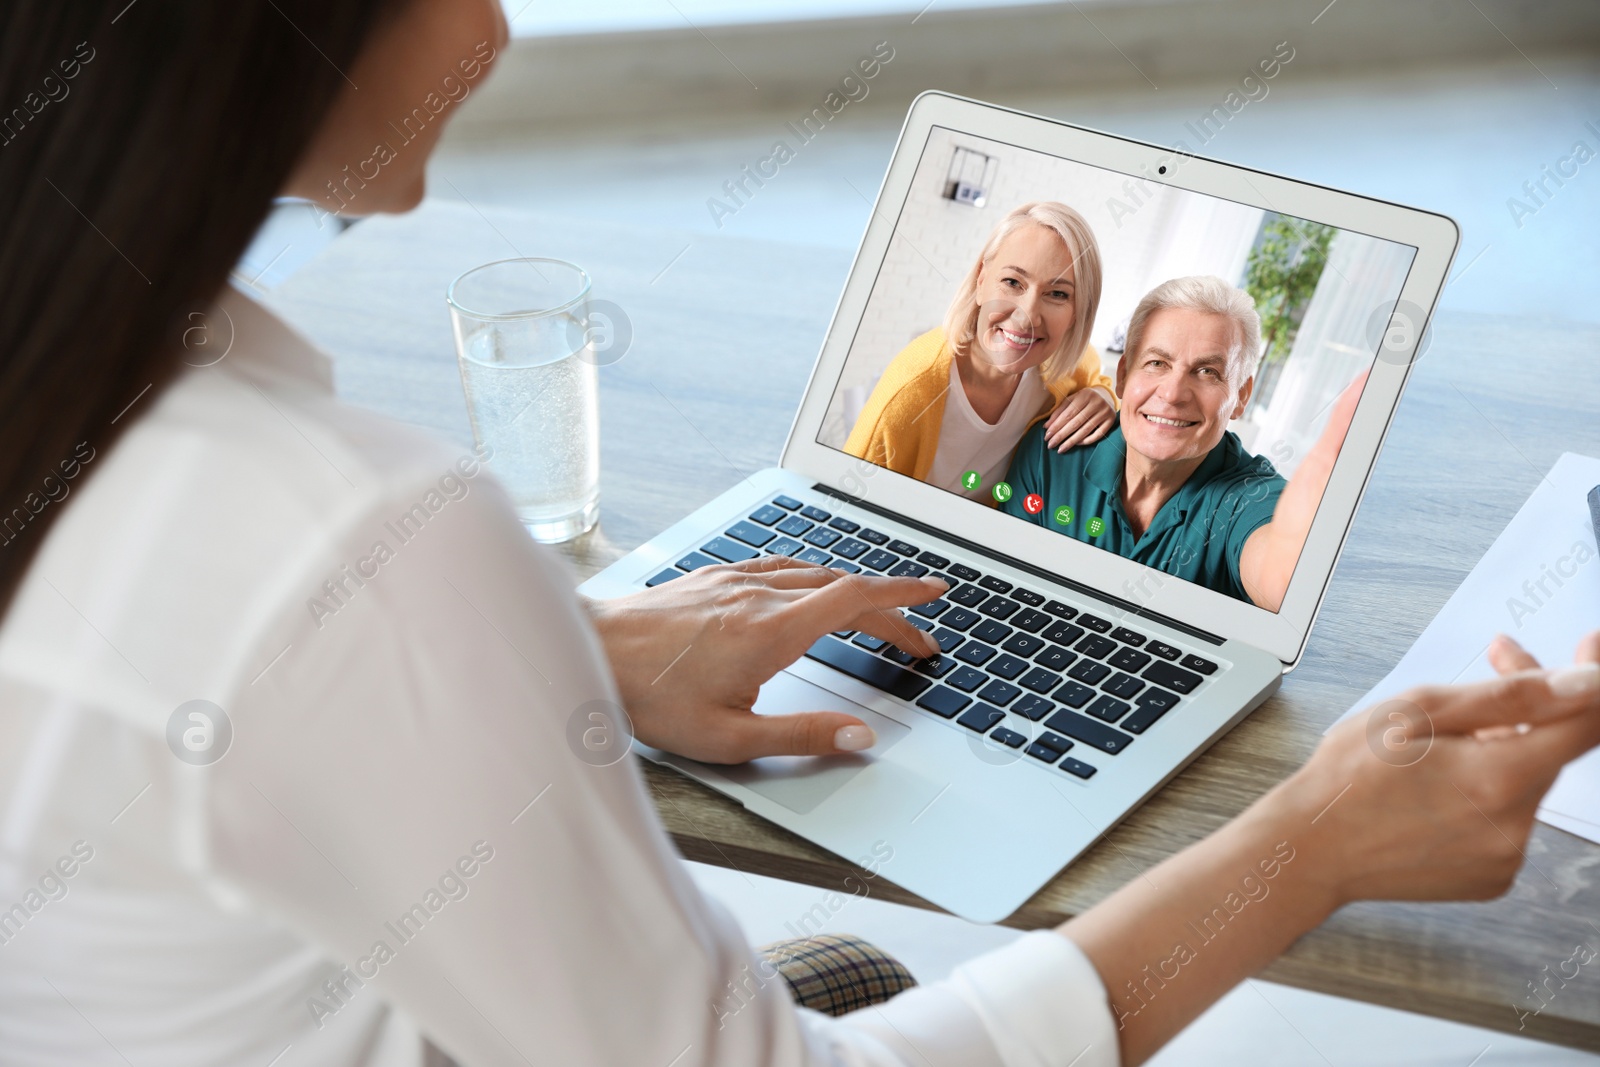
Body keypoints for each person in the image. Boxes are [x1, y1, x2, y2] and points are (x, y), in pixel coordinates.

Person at [0, 3, 1595, 1066]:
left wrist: (556, 658)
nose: (491, 28)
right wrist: (1306, 850)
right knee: (869, 974)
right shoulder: (358, 542)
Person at [1003, 275, 1333, 610]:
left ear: (1241, 396)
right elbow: (1003, 578)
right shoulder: (1054, 450)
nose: (1172, 394)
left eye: (1207, 372)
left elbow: (1279, 569)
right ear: (1122, 375)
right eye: (1156, 363)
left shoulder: (1250, 498)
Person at [844, 202, 1118, 499]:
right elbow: (845, 499)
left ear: (1078, 312)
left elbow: (1096, 379)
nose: (1027, 315)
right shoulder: (912, 392)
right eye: (1012, 282)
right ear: (981, 280)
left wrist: (1103, 396)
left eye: (1057, 294)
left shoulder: (1066, 365)